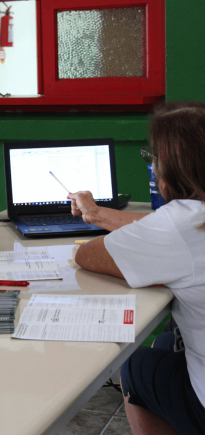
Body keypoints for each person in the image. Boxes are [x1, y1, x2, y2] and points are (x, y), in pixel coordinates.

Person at [67, 101, 205, 435]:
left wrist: (100, 222)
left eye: (153, 157)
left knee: (136, 364)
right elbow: (168, 230)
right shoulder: (188, 221)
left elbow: (88, 256)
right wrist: (99, 214)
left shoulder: (181, 224)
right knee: (164, 345)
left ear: (169, 169)